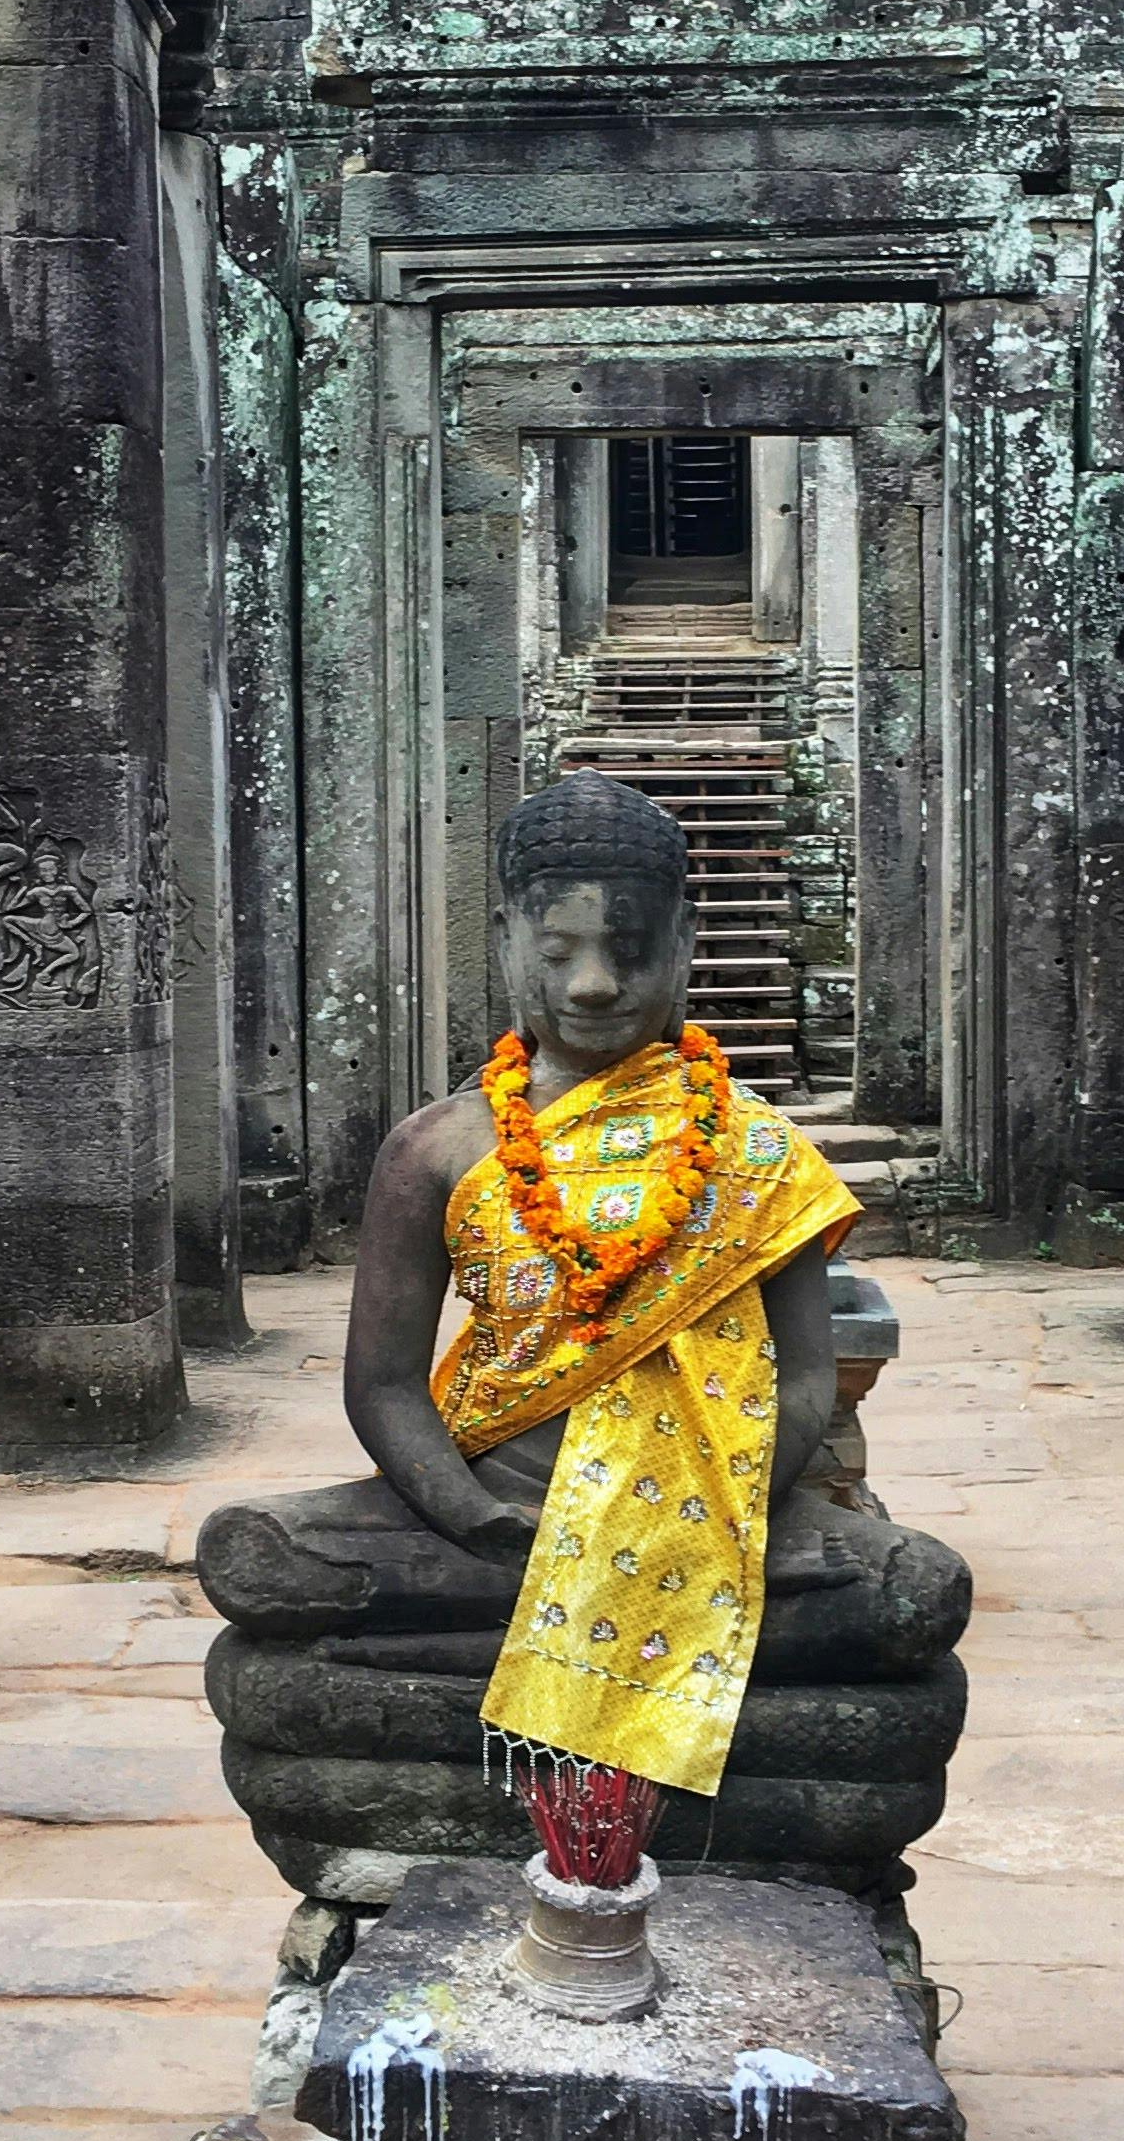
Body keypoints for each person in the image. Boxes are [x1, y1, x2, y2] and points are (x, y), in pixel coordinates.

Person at [339, 772, 862, 1804]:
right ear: (505, 939)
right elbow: (383, 1386)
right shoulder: (436, 1149)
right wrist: (473, 1515)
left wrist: (704, 1505)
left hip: (710, 1508)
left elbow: (808, 1374)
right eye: (557, 951)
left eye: (628, 951)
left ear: (686, 941)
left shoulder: (754, 1149)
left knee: (912, 1598)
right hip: (490, 1516)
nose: (590, 986)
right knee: (256, 1559)